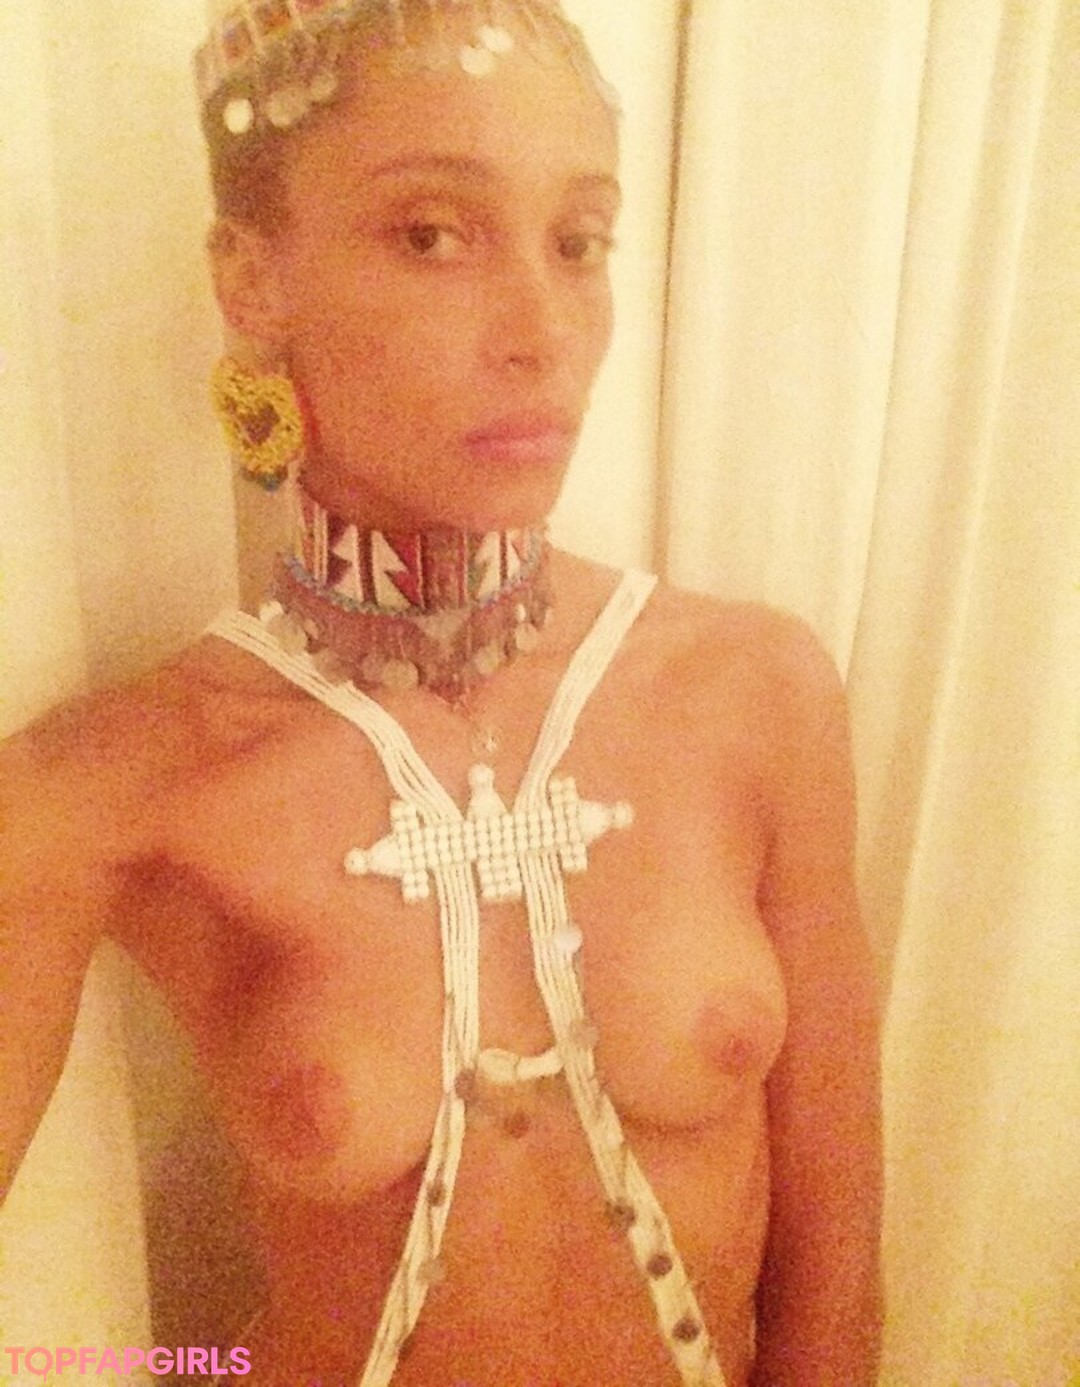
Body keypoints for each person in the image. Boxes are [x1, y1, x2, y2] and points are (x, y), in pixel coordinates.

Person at [0, 2, 882, 1383]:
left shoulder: (755, 694)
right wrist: (146, 1374)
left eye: (578, 242)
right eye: (432, 235)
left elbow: (837, 1290)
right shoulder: (118, 784)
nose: (542, 332)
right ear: (253, 282)